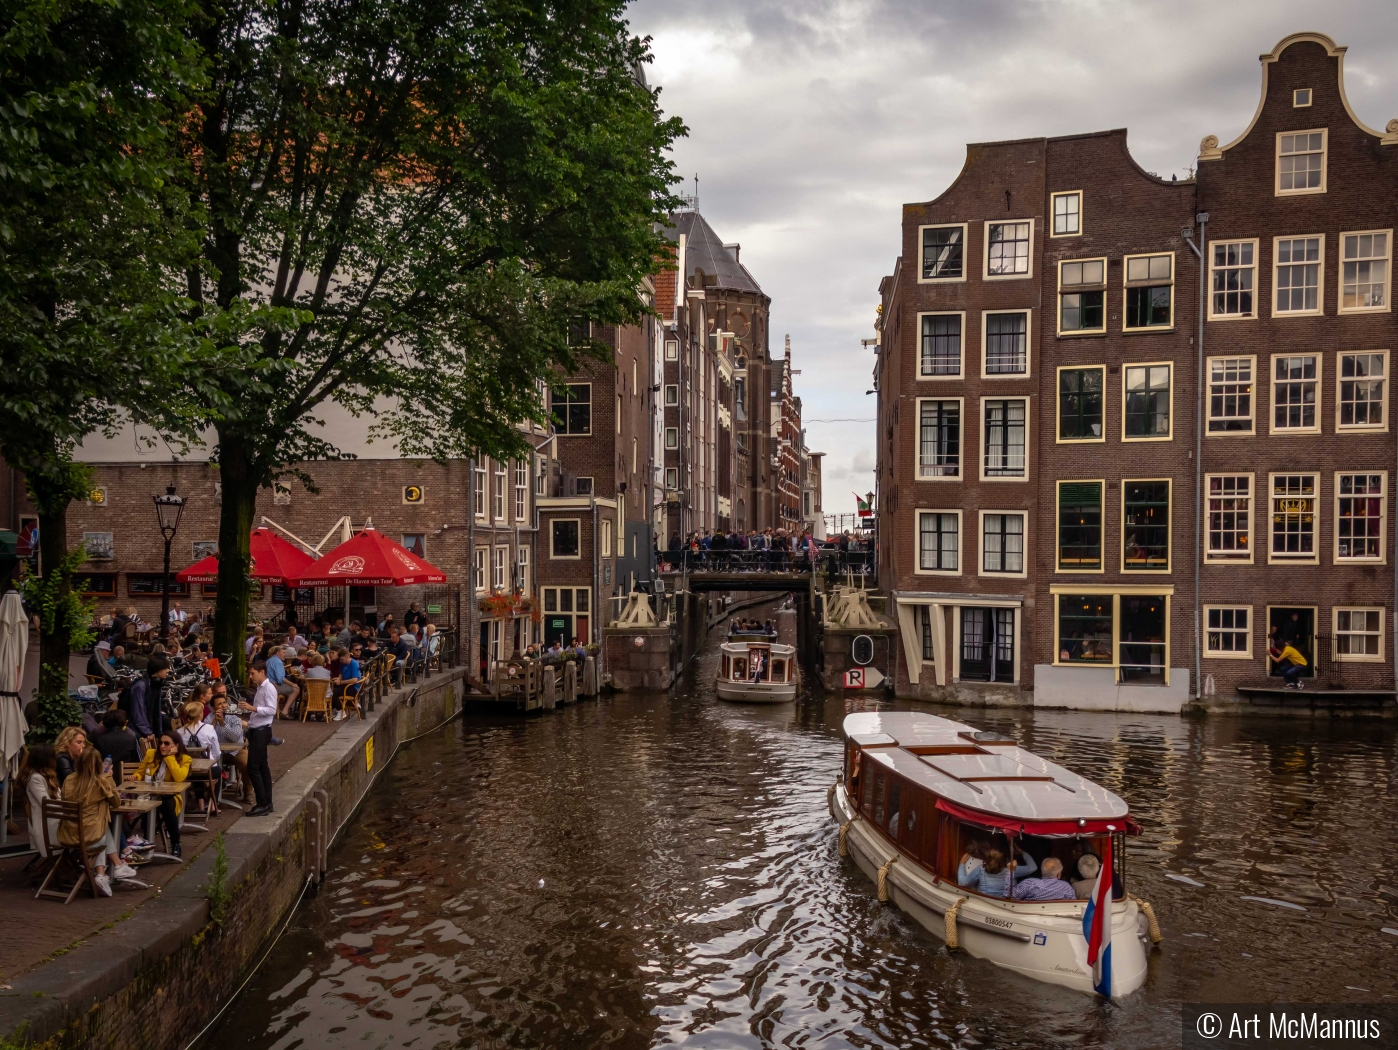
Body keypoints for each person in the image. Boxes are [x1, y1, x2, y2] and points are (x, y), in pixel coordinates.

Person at [60, 749, 137, 894]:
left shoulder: (69, 779)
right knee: (100, 824)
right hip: (90, 837)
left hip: (68, 832)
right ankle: (101, 875)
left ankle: (118, 866)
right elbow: (116, 802)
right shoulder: (100, 781)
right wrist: (108, 778)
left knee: (99, 824)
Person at [133, 732, 192, 857]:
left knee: (167, 804)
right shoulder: (151, 754)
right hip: (149, 794)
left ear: (176, 745)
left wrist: (170, 757)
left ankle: (175, 843)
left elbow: (179, 778)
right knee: (151, 805)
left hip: (170, 796)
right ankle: (145, 843)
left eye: (167, 743)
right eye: (161, 743)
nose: (162, 746)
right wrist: (135, 777)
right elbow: (140, 772)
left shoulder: (185, 759)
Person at [240, 659, 277, 815]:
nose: (251, 676)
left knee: (253, 767)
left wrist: (252, 708)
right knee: (262, 767)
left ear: (262, 672)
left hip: (262, 731)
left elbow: (271, 710)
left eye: (253, 673)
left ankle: (262, 803)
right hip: (258, 729)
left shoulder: (268, 688)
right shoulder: (261, 688)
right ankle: (267, 802)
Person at [206, 694, 251, 804]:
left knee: (248, 763)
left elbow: (235, 737)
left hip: (234, 751)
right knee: (204, 766)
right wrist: (215, 721)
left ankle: (248, 793)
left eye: (224, 703)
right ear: (213, 707)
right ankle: (210, 796)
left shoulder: (235, 718)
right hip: (215, 753)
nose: (223, 706)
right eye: (219, 704)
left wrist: (222, 723)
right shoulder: (208, 718)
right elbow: (206, 736)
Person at [20, 743, 62, 856]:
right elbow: (47, 805)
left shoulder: (47, 777)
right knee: (94, 828)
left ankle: (101, 866)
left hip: (55, 821)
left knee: (97, 827)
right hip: (48, 825)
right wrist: (69, 805)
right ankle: (99, 866)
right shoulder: (35, 779)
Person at [957, 844, 1037, 898]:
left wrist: (962, 863)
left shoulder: (981, 869)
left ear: (986, 859)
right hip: (1004, 904)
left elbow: (962, 882)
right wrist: (1022, 852)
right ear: (1005, 860)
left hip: (984, 903)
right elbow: (1033, 867)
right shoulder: (1011, 870)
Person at [127, 653, 171, 747]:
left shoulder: (156, 683)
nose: (167, 670)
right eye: (165, 668)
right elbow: (138, 710)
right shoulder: (141, 686)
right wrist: (147, 731)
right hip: (140, 732)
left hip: (150, 727)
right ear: (157, 670)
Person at [1012, 857, 1078, 901]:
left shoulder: (1029, 883)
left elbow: (1009, 897)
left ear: (1041, 871)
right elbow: (1073, 905)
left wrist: (1010, 872)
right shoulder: (1066, 887)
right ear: (1059, 874)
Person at [265, 645, 300, 718]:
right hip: (274, 686)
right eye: (283, 652)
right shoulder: (278, 662)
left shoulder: (269, 660)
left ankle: (281, 709)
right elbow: (280, 679)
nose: (285, 654)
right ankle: (285, 711)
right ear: (278, 653)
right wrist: (292, 684)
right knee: (296, 689)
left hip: (268, 685)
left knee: (290, 687)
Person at [331, 646, 362, 721]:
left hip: (353, 687)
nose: (340, 661)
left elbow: (354, 680)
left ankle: (341, 711)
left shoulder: (354, 664)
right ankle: (331, 710)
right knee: (330, 689)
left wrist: (341, 682)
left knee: (334, 692)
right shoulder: (343, 664)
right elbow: (341, 674)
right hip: (346, 685)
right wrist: (338, 679)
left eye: (342, 659)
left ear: (347, 656)